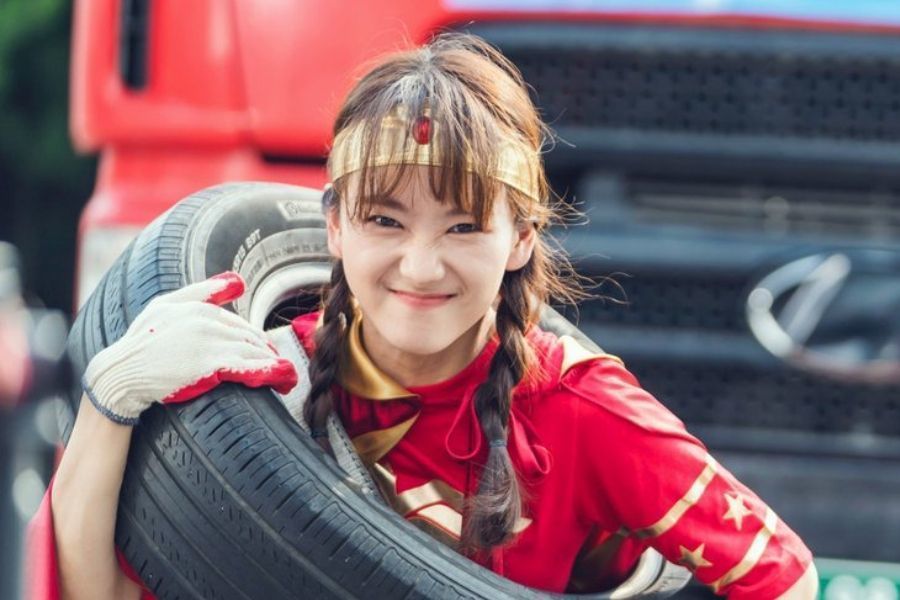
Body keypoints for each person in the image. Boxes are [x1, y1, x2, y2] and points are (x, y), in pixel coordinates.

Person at [27, 33, 818, 599]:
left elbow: (784, 577)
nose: (420, 266)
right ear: (333, 227)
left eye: (464, 226)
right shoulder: (252, 383)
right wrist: (110, 404)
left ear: (521, 239)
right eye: (384, 221)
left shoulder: (581, 409)